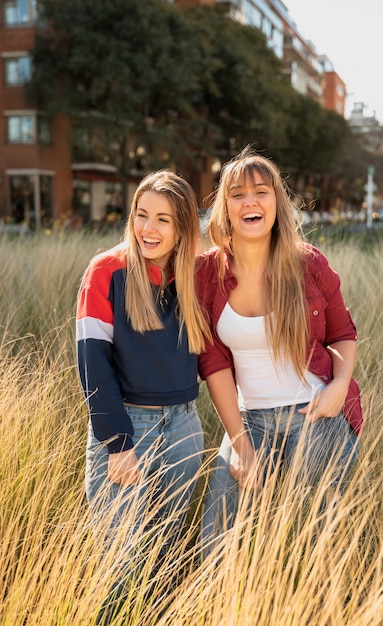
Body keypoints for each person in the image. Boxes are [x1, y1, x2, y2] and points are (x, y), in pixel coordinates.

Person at [195, 149, 363, 552]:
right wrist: (239, 444)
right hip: (248, 421)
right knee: (217, 541)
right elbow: (213, 362)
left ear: (276, 203)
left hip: (317, 415)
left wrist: (339, 386)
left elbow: (342, 334)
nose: (250, 201)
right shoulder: (206, 273)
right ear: (225, 208)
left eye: (261, 191)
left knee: (319, 545)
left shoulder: (308, 264)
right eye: (237, 194)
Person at [76, 169, 210, 620]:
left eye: (164, 220)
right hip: (129, 430)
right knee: (120, 565)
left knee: (165, 559)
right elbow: (92, 362)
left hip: (186, 427)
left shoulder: (192, 275)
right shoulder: (107, 270)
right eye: (141, 215)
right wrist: (117, 443)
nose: (148, 229)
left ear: (184, 228)